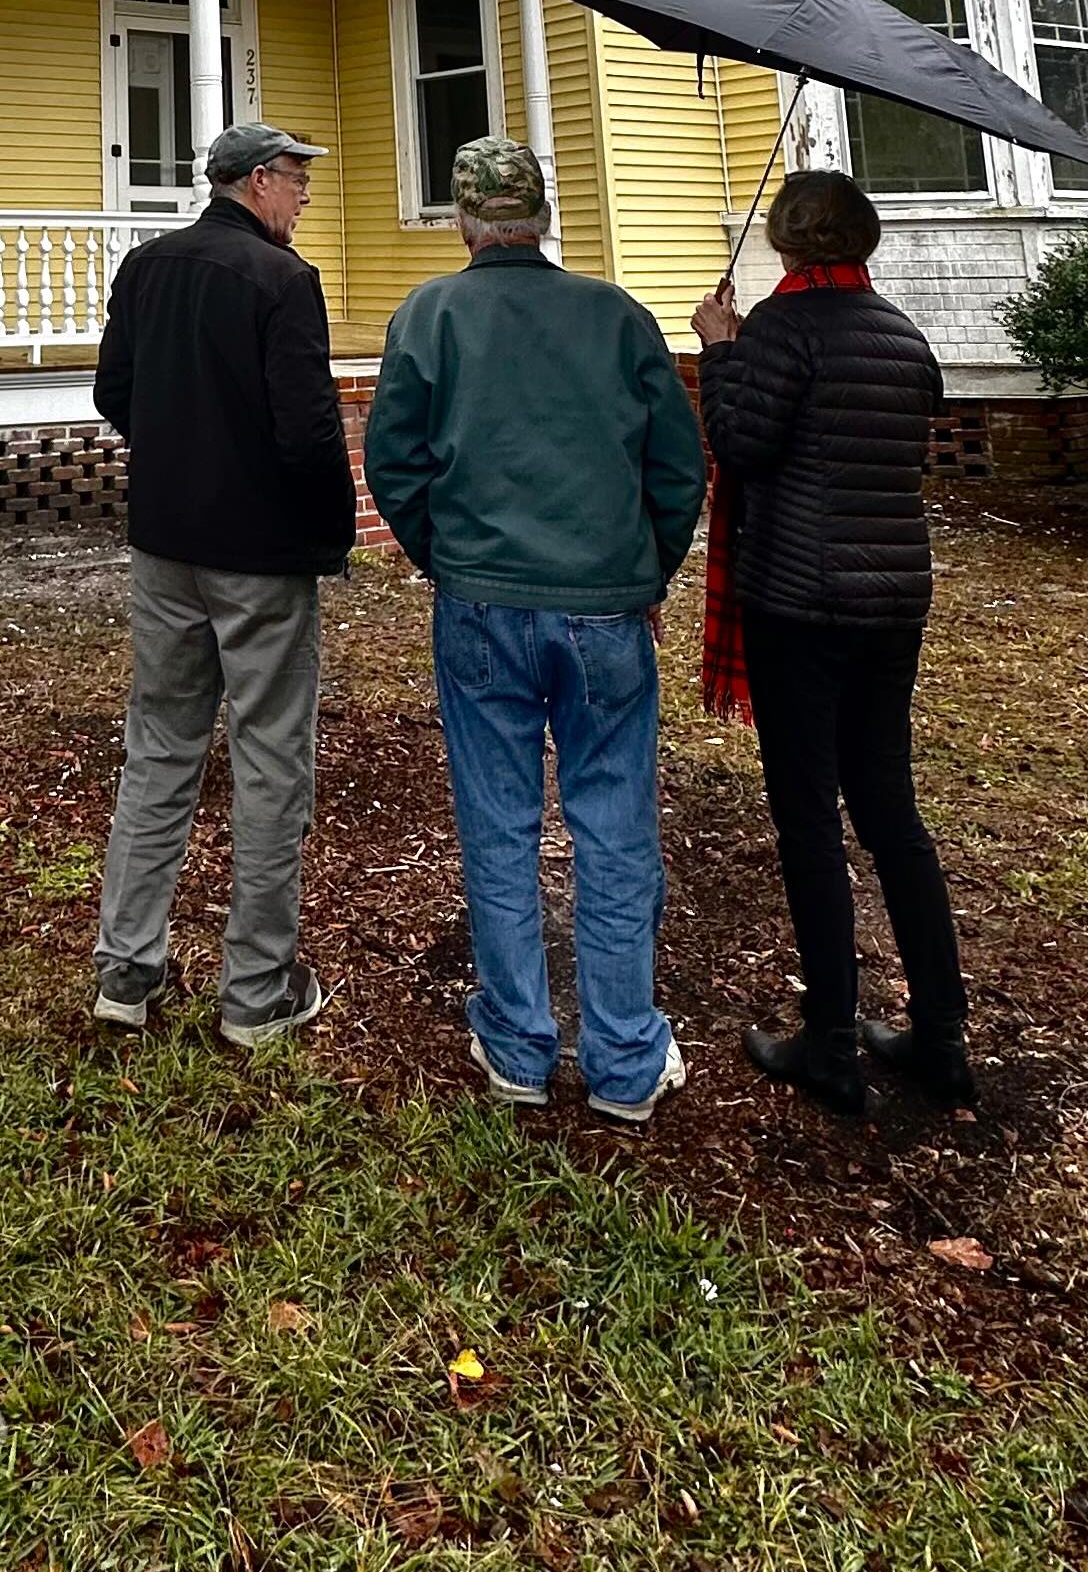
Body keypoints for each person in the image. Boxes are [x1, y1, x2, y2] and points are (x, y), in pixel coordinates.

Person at [364, 138, 706, 1125]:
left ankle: (518, 1048)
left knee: (499, 819)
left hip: (479, 606)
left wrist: (448, 559)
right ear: (541, 217)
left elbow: (395, 462)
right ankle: (627, 1060)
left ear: (465, 220)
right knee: (613, 822)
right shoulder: (618, 318)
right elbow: (678, 470)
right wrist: (646, 570)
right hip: (605, 609)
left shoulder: (429, 316)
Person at [692, 167, 972, 1116]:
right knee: (890, 809)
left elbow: (743, 444)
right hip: (894, 601)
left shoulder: (781, 329)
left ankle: (833, 1045)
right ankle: (939, 1038)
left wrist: (720, 349)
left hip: (798, 604)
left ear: (789, 242)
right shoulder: (905, 336)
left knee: (809, 817)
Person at [91, 121, 356, 1048]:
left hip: (165, 546)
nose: (306, 195)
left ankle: (125, 971)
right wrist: (329, 533)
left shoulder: (147, 267)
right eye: (295, 178)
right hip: (260, 557)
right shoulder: (284, 283)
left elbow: (113, 394)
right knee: (271, 759)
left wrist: (177, 455)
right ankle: (257, 991)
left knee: (160, 747)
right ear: (251, 183)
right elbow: (309, 432)